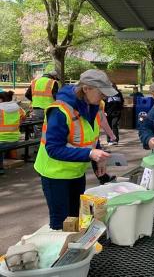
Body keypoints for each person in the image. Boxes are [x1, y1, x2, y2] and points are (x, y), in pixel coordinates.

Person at [34, 69, 116, 230]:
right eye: (101, 93)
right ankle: (60, 253)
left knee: (76, 218)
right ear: (86, 89)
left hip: (76, 173)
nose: (104, 97)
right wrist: (90, 154)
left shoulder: (93, 106)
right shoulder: (60, 111)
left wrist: (96, 161)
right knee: (61, 222)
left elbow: (91, 138)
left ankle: (75, 250)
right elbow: (54, 149)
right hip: (54, 175)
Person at [25, 71, 60, 136]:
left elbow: (27, 94)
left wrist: (35, 100)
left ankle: (38, 144)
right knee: (50, 128)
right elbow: (56, 96)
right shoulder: (53, 82)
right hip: (50, 109)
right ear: (54, 76)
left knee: (39, 128)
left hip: (36, 109)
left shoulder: (34, 82)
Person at [0, 91, 26, 175]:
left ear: (1, 100)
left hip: (2, 141)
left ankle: (1, 168)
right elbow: (24, 117)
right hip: (15, 140)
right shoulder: (18, 108)